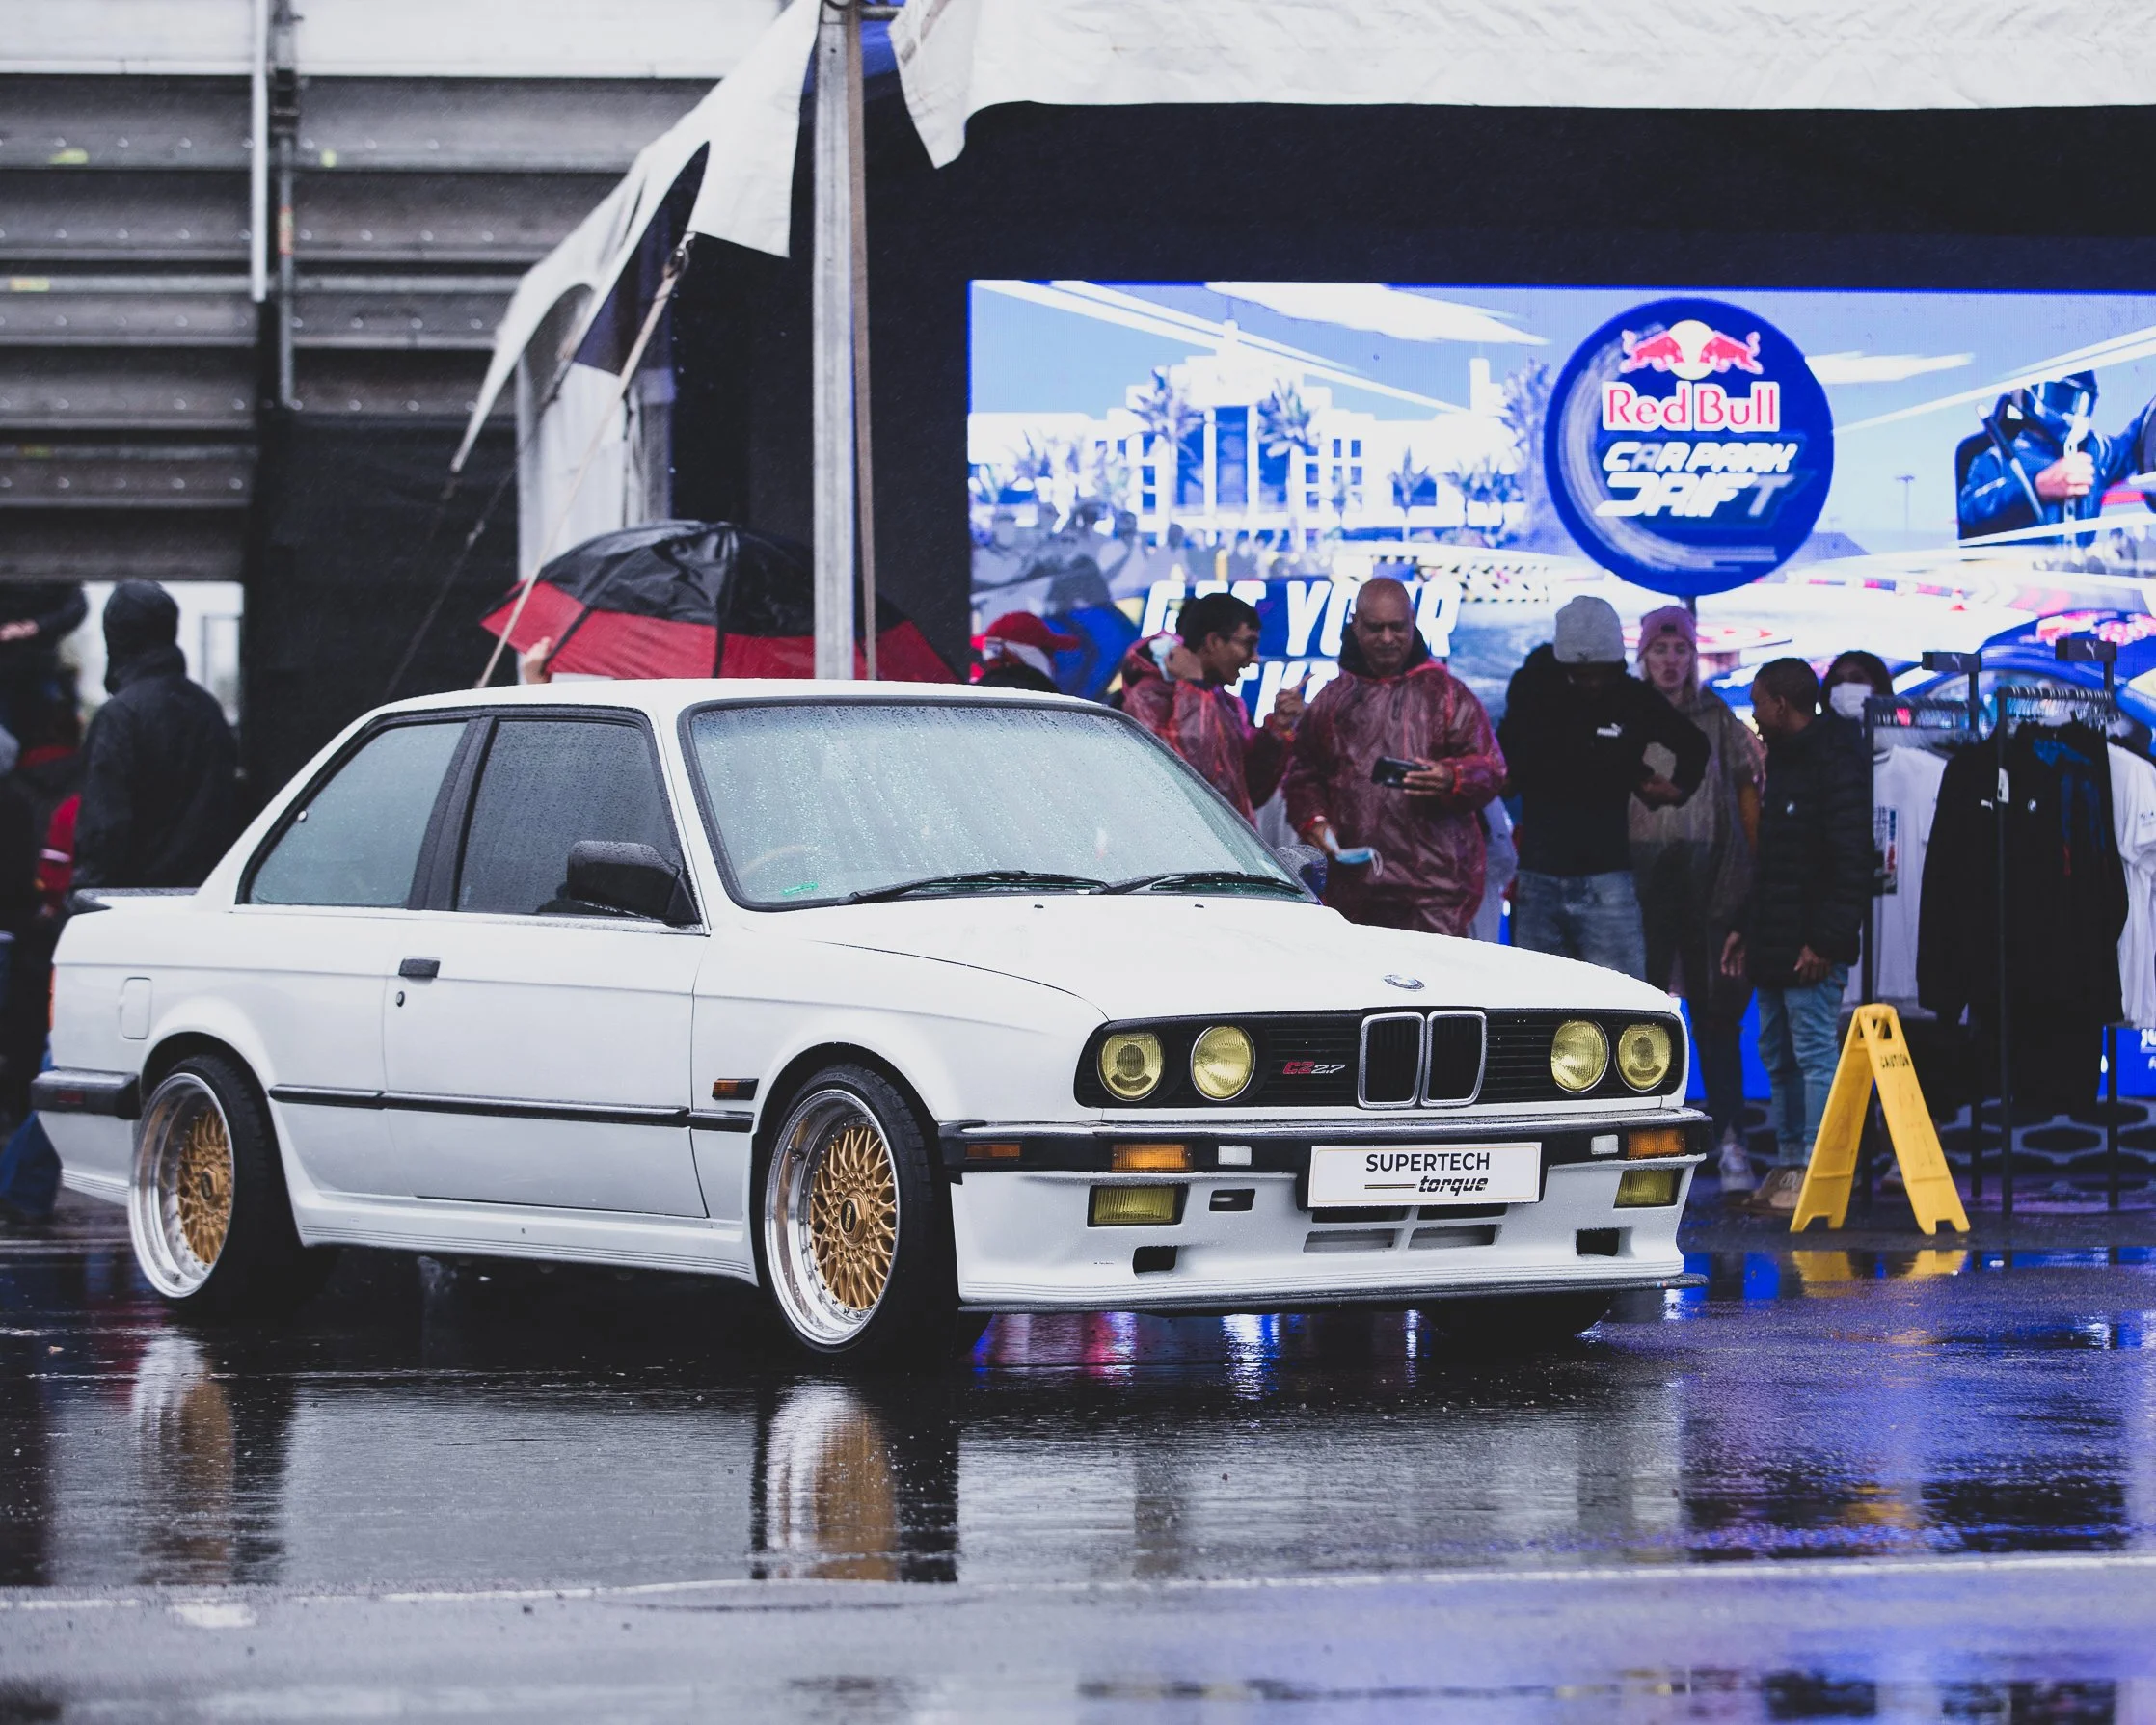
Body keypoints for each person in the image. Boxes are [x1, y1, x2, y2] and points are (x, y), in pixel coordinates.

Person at [1720, 658, 1871, 1215]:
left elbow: (1853, 860)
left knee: (1812, 1053)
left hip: (1811, 947)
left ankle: (1820, 1168)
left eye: (1758, 703)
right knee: (1778, 1054)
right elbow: (1774, 863)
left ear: (1781, 705)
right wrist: (1744, 925)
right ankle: (1788, 1165)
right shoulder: (1783, 760)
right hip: (1776, 939)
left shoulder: (1836, 760)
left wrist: (1826, 942)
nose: (1754, 716)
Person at [1497, 595, 1709, 979]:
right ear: (1562, 665)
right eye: (1582, 675)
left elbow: (1694, 745)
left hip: (1604, 877)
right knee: (1536, 1012)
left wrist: (1677, 790)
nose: (1592, 683)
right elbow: (1504, 759)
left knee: (1618, 1009)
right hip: (1541, 875)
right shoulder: (1532, 692)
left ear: (1617, 665)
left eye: (1601, 673)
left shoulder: (1632, 698)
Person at [1283, 577, 1505, 937]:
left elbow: (1492, 768)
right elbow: (1304, 773)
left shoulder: (1448, 694)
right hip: (1354, 889)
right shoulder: (1332, 700)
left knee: (1439, 991)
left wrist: (1453, 778)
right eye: (1375, 628)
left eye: (1397, 627)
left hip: (1436, 894)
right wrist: (1315, 820)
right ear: (1355, 624)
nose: (1387, 638)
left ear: (1412, 621)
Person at [1629, 606, 1764, 1192]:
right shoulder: (1624, 711)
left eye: (1680, 649)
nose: (1670, 661)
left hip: (1711, 884)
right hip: (1637, 885)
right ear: (1642, 654)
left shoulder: (1716, 717)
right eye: (1660, 650)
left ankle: (1731, 1139)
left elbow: (1747, 792)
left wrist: (1750, 881)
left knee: (1716, 1017)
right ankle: (1638, 1147)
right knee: (1641, 1019)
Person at [71, 581, 238, 892]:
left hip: (133, 903)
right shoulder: (207, 710)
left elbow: (104, 829)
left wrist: (85, 896)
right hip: (202, 896)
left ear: (116, 637)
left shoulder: (120, 716)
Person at [1120, 591, 1302, 823]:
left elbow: (1247, 792)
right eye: (1248, 644)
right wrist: (1194, 688)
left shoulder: (1227, 702)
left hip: (1224, 848)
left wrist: (1278, 728)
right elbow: (1190, 780)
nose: (1255, 658)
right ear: (1213, 642)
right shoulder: (1148, 696)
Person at [1957, 371, 2156, 539]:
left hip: (2078, 577)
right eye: (2060, 397)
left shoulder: (2096, 451)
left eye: (2081, 401)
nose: (2070, 410)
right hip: (2016, 578)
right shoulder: (1998, 457)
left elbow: (2139, 441)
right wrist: (2038, 486)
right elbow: (1971, 511)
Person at [974, 611, 1075, 694]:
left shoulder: (971, 698)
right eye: (1048, 652)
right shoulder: (1042, 701)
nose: (1054, 664)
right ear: (1011, 653)